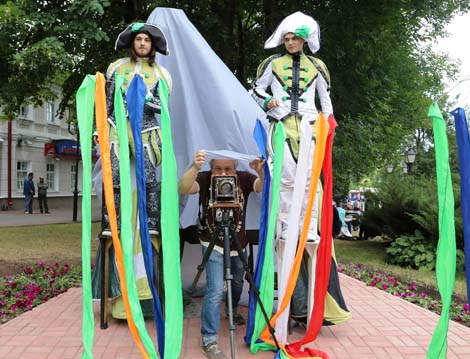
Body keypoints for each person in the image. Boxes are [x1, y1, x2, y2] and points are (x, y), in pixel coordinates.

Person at [252, 11, 351, 332]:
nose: (290, 42)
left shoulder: (318, 67)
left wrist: (330, 122)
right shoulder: (271, 65)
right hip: (281, 125)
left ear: (305, 40)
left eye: (295, 38)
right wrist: (270, 104)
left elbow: (326, 100)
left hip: (310, 125)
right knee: (284, 178)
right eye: (287, 38)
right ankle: (284, 227)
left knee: (309, 181)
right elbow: (256, 91)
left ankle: (308, 227)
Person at [92, 21, 172, 319]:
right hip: (118, 128)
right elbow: (106, 103)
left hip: (147, 130)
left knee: (149, 176)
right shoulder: (116, 68)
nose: (141, 44)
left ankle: (149, 220)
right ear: (132, 43)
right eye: (138, 39)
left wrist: (145, 100)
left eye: (146, 41)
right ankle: (110, 218)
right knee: (114, 175)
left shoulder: (162, 74)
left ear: (152, 46)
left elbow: (164, 106)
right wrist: (100, 129)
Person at [179, 150, 264, 359]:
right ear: (211, 169)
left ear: (236, 170)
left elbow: (263, 188)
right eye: (218, 169)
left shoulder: (244, 179)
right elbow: (184, 188)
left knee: (237, 282)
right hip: (212, 241)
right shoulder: (205, 178)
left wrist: (261, 173)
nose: (223, 173)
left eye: (228, 169)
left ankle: (232, 309)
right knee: (216, 289)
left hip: (238, 242)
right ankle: (209, 339)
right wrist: (195, 167)